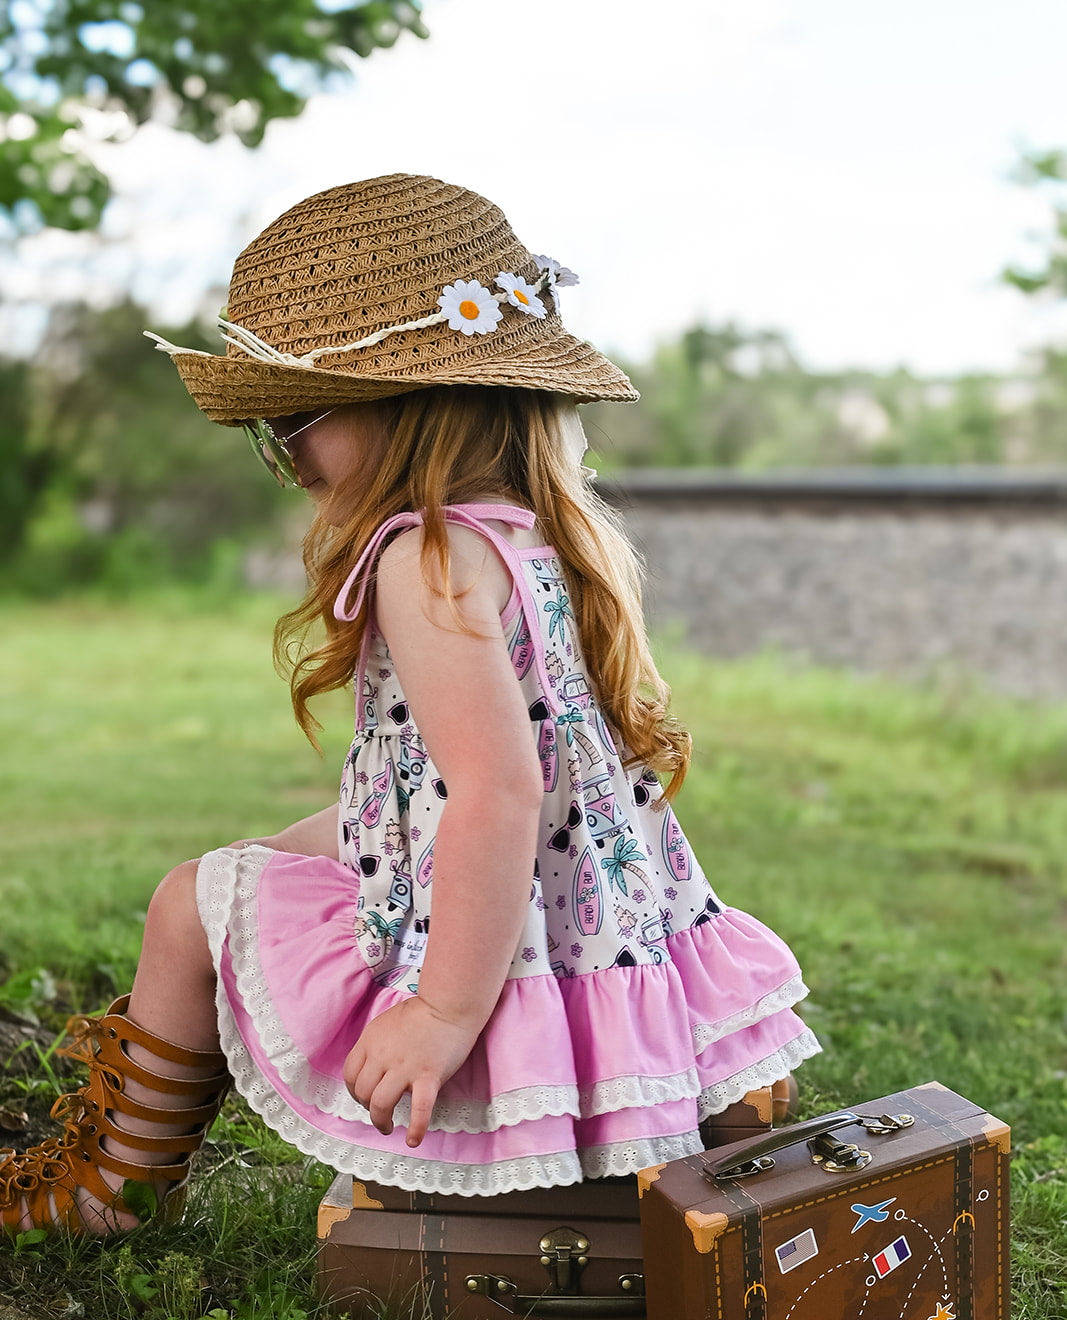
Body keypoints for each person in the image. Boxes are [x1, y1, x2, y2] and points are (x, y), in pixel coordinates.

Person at [0, 173, 819, 1236]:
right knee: (248, 875)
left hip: (493, 868)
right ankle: (696, 1089)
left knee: (185, 902)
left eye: (295, 418)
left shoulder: (424, 556)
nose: (284, 455)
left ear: (403, 405)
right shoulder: (539, 533)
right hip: (569, 882)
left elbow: (495, 788)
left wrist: (443, 1012)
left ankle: (111, 1186)